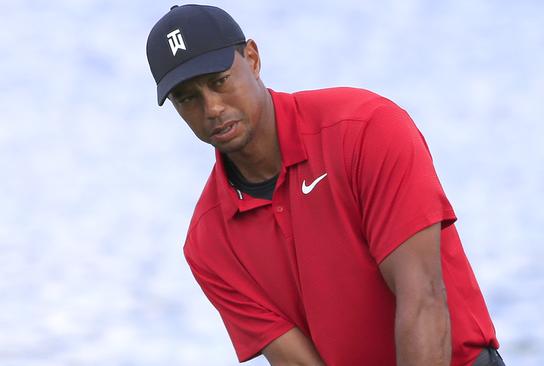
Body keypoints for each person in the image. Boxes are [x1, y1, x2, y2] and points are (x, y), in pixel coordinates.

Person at [146, 4, 504, 366]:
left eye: (219, 81)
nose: (212, 108)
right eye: (187, 97)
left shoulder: (366, 129)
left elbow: (422, 298)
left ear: (252, 59)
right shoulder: (208, 243)